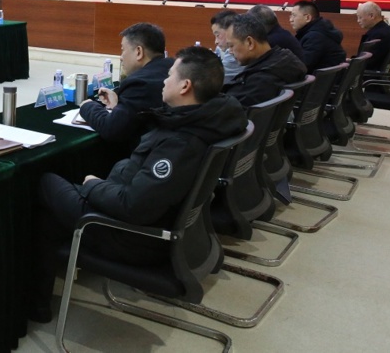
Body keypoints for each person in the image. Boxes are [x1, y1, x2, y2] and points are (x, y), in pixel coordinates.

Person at [32, 47, 247, 322]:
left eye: (170, 75)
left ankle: (35, 302)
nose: (164, 81)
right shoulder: (205, 119)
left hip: (134, 236)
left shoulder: (182, 142)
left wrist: (93, 185)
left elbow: (133, 206)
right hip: (156, 219)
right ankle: (38, 302)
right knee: (52, 215)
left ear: (185, 86)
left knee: (44, 181)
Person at [77, 23, 174, 153]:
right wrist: (119, 103)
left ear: (138, 52)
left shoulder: (139, 83)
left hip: (149, 155)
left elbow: (112, 129)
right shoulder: (173, 69)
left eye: (123, 50)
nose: (121, 57)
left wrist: (88, 106)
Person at [223, 13, 307, 107]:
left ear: (250, 43)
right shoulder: (285, 61)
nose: (230, 51)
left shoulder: (258, 83)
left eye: (231, 46)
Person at [289, 0, 346, 71]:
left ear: (307, 18)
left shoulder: (315, 37)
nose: (291, 20)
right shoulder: (320, 31)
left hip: (320, 77)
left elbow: (302, 66)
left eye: (294, 15)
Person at [355, 1, 390, 71]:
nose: (358, 21)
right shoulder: (384, 30)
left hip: (368, 74)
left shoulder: (379, 36)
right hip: (374, 72)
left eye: (360, 17)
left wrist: (351, 63)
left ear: (371, 16)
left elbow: (366, 63)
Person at [211, 10, 244, 84]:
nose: (216, 42)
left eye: (218, 35)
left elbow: (212, 77)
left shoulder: (235, 52)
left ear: (230, 30)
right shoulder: (221, 48)